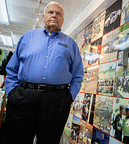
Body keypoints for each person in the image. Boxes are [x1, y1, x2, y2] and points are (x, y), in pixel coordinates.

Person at [5, 1, 84, 144]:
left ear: (62, 20)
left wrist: (68, 98)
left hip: (56, 101)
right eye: (51, 12)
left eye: (58, 13)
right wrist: (12, 93)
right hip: (23, 98)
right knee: (17, 139)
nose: (54, 15)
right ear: (43, 17)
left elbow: (78, 75)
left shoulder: (70, 44)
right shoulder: (27, 37)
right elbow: (12, 69)